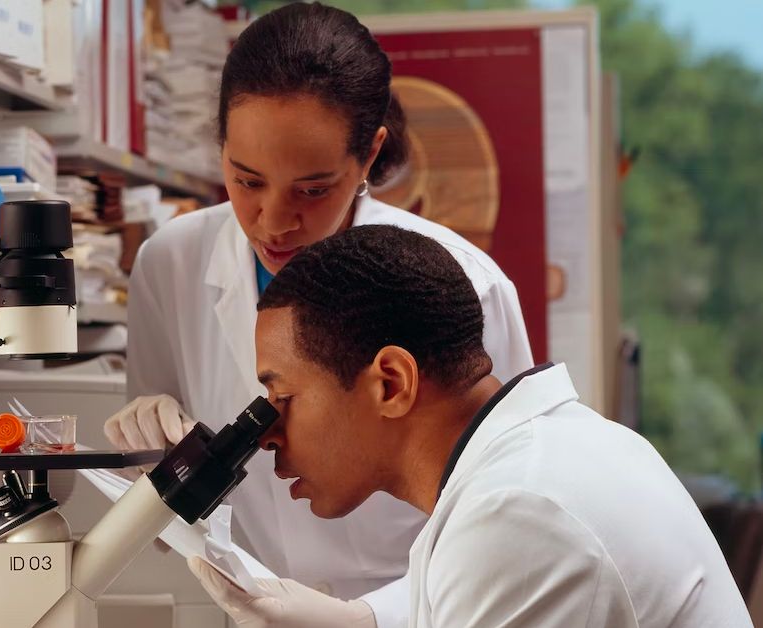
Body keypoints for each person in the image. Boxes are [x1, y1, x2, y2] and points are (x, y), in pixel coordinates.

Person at [105, 3, 533, 625]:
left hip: (423, 612)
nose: (274, 221)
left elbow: (505, 516)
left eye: (313, 189)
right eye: (246, 180)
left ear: (368, 156)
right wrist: (151, 449)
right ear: (220, 144)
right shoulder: (170, 263)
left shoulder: (464, 284)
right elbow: (164, 497)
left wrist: (368, 617)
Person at [187, 224, 752, 628]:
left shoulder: (520, 514)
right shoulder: (558, 454)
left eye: (282, 396)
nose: (266, 435)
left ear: (391, 382)